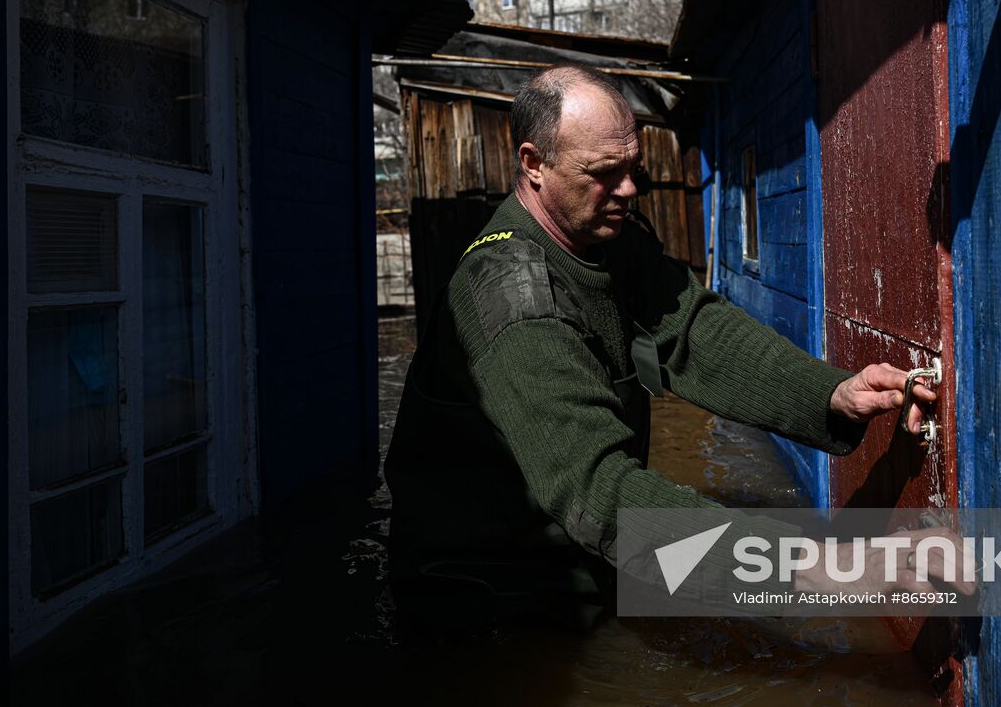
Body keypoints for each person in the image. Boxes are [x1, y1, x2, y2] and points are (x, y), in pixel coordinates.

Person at [383, 64, 943, 633]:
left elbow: (696, 332)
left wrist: (832, 394)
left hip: (578, 568)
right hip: (488, 606)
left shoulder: (603, 235)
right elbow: (599, 492)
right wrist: (825, 566)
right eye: (604, 172)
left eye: (633, 169)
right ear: (533, 164)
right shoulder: (517, 301)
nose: (627, 190)